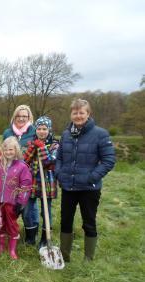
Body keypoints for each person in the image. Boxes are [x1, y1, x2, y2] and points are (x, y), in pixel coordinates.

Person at [56, 99, 115, 261]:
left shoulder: (100, 134)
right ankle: (65, 256)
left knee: (89, 222)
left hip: (89, 188)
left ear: (88, 114)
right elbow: (59, 158)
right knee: (65, 221)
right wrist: (59, 173)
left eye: (82, 112)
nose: (78, 116)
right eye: (75, 113)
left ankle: (88, 258)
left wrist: (92, 177)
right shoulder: (66, 134)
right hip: (68, 186)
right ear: (71, 114)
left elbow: (109, 160)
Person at [0, 137, 32, 260]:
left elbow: (26, 185)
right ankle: (2, 246)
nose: (8, 152)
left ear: (16, 150)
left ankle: (12, 249)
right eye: (6, 150)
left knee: (12, 224)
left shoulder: (22, 166)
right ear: (3, 150)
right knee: (0, 223)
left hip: (11, 202)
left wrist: (21, 202)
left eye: (11, 150)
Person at [2, 104, 37, 245]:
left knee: (28, 207)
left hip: (28, 175)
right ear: (14, 117)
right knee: (11, 206)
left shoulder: (33, 132)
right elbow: (4, 151)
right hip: (11, 175)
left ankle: (30, 236)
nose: (21, 118)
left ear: (29, 118)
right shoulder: (7, 132)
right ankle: (10, 232)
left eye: (25, 116)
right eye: (19, 116)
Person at [23, 116, 59, 248]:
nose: (42, 131)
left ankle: (45, 239)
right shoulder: (31, 143)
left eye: (45, 129)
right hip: (32, 181)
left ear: (49, 130)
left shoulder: (55, 145)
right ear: (35, 129)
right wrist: (33, 148)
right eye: (39, 128)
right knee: (27, 210)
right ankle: (30, 237)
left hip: (47, 182)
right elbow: (25, 161)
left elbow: (49, 162)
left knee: (46, 211)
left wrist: (42, 147)